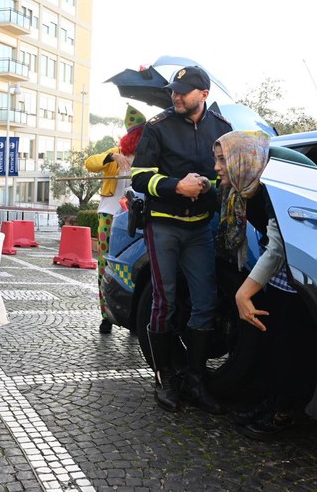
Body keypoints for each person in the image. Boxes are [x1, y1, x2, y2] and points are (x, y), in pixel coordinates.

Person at [130, 66, 232, 415]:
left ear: (203, 94)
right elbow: (140, 177)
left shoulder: (223, 130)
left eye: (184, 91)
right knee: (165, 302)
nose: (175, 96)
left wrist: (208, 186)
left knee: (205, 302)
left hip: (201, 226)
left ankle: (195, 379)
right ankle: (164, 378)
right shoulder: (157, 127)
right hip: (163, 226)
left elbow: (229, 177)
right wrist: (176, 186)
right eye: (174, 90)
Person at [213, 130, 317, 439]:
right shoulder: (253, 174)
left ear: (242, 159)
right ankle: (270, 402)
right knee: (275, 338)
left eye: (223, 160)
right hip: (287, 268)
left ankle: (283, 412)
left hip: (304, 268)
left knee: (290, 342)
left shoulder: (276, 180)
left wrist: (244, 291)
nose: (218, 167)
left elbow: (279, 245)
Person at [84, 104, 145, 334]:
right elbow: (89, 163)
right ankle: (106, 315)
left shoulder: (149, 159)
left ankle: (132, 316)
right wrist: (111, 156)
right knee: (104, 266)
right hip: (109, 216)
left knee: (134, 267)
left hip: (135, 219)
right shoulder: (113, 152)